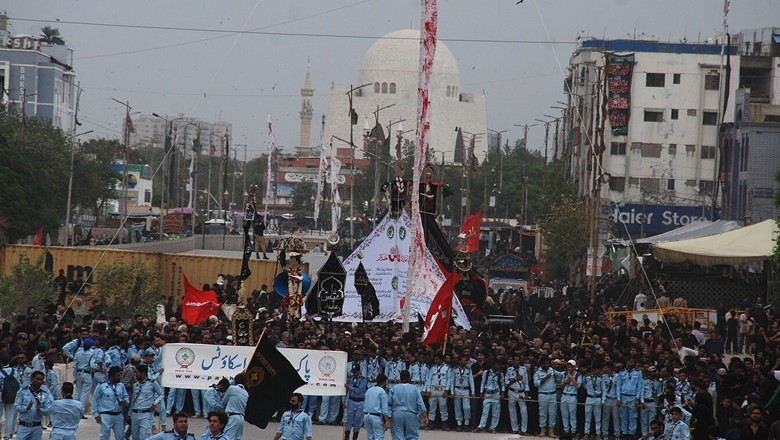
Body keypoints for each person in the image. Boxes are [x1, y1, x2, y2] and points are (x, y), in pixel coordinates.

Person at [13, 370, 54, 440]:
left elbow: (48, 410)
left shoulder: (45, 393)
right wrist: (26, 408)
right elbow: (16, 406)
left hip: (36, 427)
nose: (39, 382)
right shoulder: (22, 391)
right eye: (37, 379)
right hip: (24, 426)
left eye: (41, 380)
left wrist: (40, 410)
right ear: (32, 379)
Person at [93, 366, 130, 440]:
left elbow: (126, 396)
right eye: (118, 375)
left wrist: (126, 401)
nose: (120, 377)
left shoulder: (121, 385)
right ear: (112, 376)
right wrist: (96, 414)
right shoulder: (102, 385)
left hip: (118, 414)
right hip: (106, 414)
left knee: (120, 435)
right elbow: (95, 399)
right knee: (105, 436)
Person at [389, 370, 428, 440]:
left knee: (397, 436)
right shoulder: (415, 389)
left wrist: (387, 417)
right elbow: (420, 404)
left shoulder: (394, 388)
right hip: (411, 414)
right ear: (409, 378)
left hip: (397, 414)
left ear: (400, 378)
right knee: (412, 436)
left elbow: (389, 403)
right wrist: (425, 417)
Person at [130, 364, 163, 440]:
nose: (136, 375)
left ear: (143, 373)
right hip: (135, 413)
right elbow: (133, 401)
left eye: (137, 373)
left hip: (145, 413)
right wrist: (129, 414)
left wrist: (155, 403)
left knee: (144, 436)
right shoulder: (136, 385)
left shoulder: (152, 383)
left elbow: (161, 394)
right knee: (135, 436)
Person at [473, 360, 504, 433]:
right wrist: (481, 392)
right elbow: (483, 382)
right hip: (487, 393)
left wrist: (502, 393)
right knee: (485, 411)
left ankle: (493, 427)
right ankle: (481, 426)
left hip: (496, 393)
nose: (498, 366)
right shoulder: (486, 373)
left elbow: (502, 384)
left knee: (495, 412)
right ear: (493, 365)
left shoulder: (500, 374)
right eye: (497, 365)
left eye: (499, 365)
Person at [534, 357, 561, 437]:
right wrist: (545, 378)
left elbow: (560, 375)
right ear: (542, 364)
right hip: (543, 394)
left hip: (552, 394)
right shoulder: (537, 373)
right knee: (542, 413)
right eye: (546, 363)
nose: (548, 365)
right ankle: (543, 430)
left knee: (552, 413)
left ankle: (551, 431)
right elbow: (536, 383)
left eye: (549, 363)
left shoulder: (551, 370)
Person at [424, 353, 450, 430]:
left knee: (443, 406)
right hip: (433, 389)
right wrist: (428, 390)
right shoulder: (432, 368)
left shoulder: (447, 368)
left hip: (442, 389)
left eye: (437, 359)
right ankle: (431, 423)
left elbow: (449, 380)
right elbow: (429, 379)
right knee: (432, 406)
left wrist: (447, 390)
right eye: (435, 359)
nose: (435, 361)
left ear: (441, 359)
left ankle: (444, 423)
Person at [619, 358, 643, 438]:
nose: (632, 363)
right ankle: (624, 433)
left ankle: (631, 434)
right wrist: (618, 398)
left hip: (633, 397)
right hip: (623, 396)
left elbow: (639, 386)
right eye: (630, 361)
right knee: (623, 416)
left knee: (633, 416)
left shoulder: (638, 373)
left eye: (633, 362)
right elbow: (618, 386)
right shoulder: (621, 372)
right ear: (627, 362)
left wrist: (637, 398)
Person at [450, 354, 475, 432]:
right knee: (457, 407)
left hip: (466, 389)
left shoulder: (469, 370)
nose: (464, 362)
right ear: (460, 361)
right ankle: (459, 424)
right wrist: (452, 392)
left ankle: (466, 423)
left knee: (466, 407)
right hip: (457, 388)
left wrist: (473, 392)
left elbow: (471, 381)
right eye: (463, 360)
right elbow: (452, 381)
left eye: (465, 360)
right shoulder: (454, 369)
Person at [221, 373, 248, 440]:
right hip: (241, 418)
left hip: (232, 416)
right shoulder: (246, 392)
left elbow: (223, 402)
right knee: (238, 438)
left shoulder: (232, 388)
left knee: (228, 437)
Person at [363, 374, 390, 440]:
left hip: (366, 416)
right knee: (378, 437)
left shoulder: (369, 390)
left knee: (370, 437)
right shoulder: (382, 392)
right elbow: (384, 408)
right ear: (384, 382)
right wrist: (387, 420)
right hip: (376, 417)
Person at [345, 364, 367, 440]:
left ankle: (355, 437)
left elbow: (359, 390)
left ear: (358, 371)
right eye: (353, 371)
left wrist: (349, 387)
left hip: (360, 402)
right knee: (349, 419)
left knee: (357, 420)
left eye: (355, 372)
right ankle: (346, 436)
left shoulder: (363, 380)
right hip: (351, 400)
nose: (353, 373)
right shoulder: (351, 379)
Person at [72, 337, 95, 410]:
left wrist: (75, 377)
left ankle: (76, 409)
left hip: (79, 373)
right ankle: (81, 410)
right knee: (84, 393)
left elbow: (74, 366)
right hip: (87, 373)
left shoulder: (78, 353)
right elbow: (92, 365)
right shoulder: (92, 354)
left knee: (78, 392)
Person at [581, 364, 603, 440]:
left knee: (598, 418)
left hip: (597, 398)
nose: (600, 371)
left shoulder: (600, 378)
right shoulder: (586, 377)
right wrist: (589, 390)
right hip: (589, 398)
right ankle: (586, 433)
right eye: (598, 369)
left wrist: (602, 400)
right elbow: (583, 384)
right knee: (587, 417)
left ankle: (598, 434)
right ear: (594, 369)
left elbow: (604, 389)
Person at [561, 359, 581, 437]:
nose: (570, 368)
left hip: (572, 396)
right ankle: (566, 431)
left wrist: (572, 379)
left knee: (572, 415)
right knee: (564, 414)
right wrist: (566, 381)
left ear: (574, 367)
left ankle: (573, 431)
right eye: (568, 366)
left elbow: (577, 386)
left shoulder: (578, 375)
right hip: (564, 395)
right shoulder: (564, 374)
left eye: (571, 367)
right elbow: (561, 386)